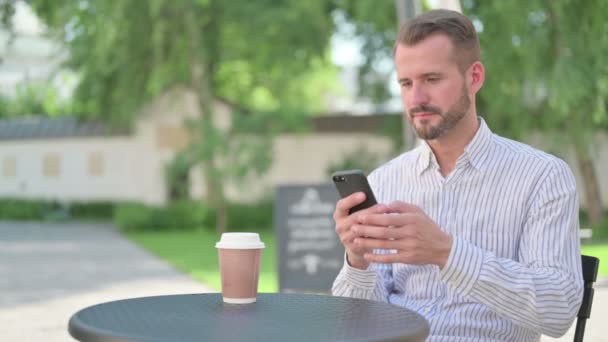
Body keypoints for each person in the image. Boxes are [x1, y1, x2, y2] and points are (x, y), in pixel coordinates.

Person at [332, 9, 583, 341]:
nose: (416, 98)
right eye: (406, 83)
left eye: (432, 79)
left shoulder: (542, 177)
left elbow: (558, 311)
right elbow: (356, 325)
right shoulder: (384, 181)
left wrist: (447, 253)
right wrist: (357, 259)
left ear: (474, 77)